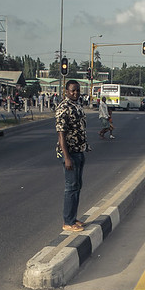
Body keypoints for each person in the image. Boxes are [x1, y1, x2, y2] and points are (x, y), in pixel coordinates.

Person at [55, 80, 88, 233]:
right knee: (71, 187)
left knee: (77, 186)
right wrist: (66, 157)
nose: (75, 93)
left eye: (77, 90)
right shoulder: (63, 108)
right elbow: (61, 134)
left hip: (79, 151)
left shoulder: (77, 105)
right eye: (72, 91)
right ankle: (67, 222)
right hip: (70, 153)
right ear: (66, 91)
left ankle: (73, 218)